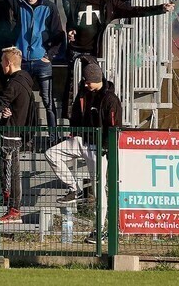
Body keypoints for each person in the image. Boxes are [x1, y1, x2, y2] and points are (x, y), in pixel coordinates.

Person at [64, 0, 174, 106]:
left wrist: (160, 9)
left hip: (96, 54)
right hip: (76, 53)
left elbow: (134, 11)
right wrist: (70, 30)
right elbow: (71, 22)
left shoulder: (107, 2)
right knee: (73, 97)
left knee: (95, 93)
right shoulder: (75, 1)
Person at [45, 61, 121, 244]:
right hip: (81, 140)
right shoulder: (83, 92)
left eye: (88, 81)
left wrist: (106, 147)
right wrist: (74, 131)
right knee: (51, 153)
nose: (85, 84)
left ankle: (100, 230)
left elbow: (114, 127)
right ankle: (75, 189)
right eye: (85, 81)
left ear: (96, 79)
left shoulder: (110, 99)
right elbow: (76, 115)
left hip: (98, 148)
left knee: (98, 189)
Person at [10, 0, 64, 136]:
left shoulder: (49, 7)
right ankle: (24, 137)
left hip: (42, 61)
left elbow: (59, 34)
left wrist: (50, 55)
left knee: (48, 102)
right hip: (23, 62)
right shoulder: (19, 6)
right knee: (23, 101)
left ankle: (53, 137)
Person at [0, 47, 36, 225]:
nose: (1, 65)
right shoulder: (26, 80)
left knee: (11, 172)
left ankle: (13, 208)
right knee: (9, 170)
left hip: (11, 133)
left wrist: (1, 107)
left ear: (9, 64)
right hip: (18, 131)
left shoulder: (14, 84)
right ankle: (10, 202)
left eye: (3, 62)